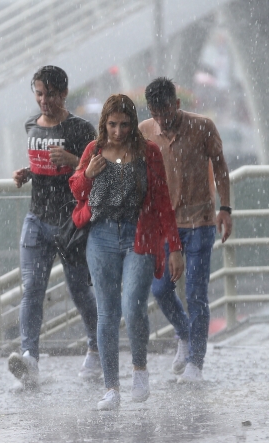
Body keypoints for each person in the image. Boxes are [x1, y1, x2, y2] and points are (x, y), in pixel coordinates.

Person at [70, 94, 184, 410]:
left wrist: (174, 247)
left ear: (132, 124)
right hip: (101, 235)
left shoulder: (148, 153)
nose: (117, 132)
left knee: (133, 305)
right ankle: (111, 388)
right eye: (111, 125)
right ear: (103, 124)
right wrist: (87, 173)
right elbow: (77, 191)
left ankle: (139, 368)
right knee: (107, 313)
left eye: (123, 125)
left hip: (139, 234)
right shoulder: (93, 151)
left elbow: (162, 200)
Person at [8, 66, 101, 389]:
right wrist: (27, 173)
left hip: (70, 221)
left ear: (63, 94)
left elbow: (98, 169)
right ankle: (29, 357)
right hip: (37, 217)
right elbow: (43, 166)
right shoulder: (31, 125)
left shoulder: (80, 129)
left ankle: (97, 345)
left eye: (49, 94)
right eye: (39, 93)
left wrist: (74, 160)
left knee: (79, 289)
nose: (44, 100)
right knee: (32, 288)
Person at [139, 77, 233, 383]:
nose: (161, 119)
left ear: (177, 104)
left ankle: (196, 362)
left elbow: (220, 166)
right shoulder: (145, 131)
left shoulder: (202, 126)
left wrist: (225, 208)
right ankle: (184, 334)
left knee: (196, 293)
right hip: (165, 224)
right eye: (155, 112)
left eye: (165, 110)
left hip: (201, 221)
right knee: (160, 288)